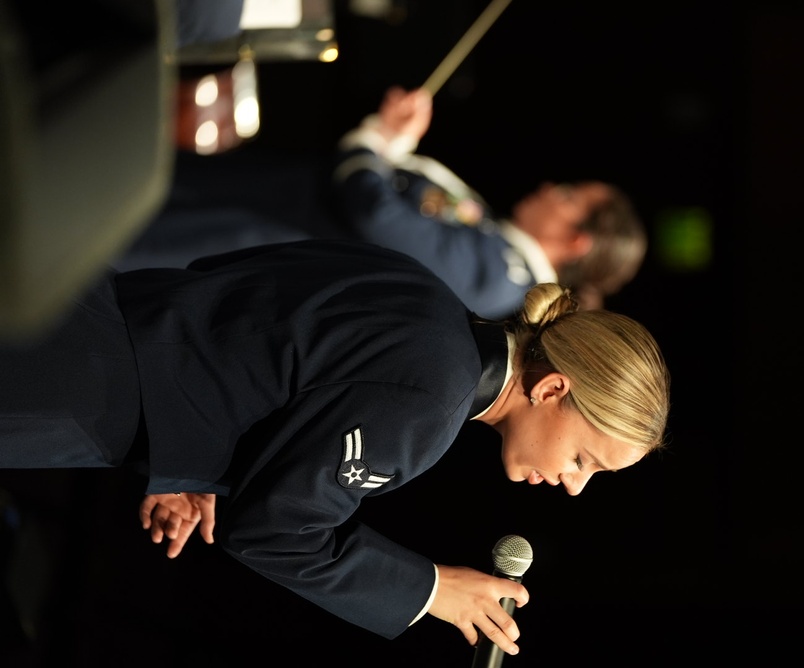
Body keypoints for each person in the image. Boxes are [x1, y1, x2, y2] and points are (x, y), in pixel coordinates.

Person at [1, 238, 670, 655]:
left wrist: (195, 460)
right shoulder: (430, 404)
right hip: (69, 391)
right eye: (586, 460)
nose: (575, 484)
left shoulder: (426, 297)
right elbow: (274, 531)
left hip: (73, 295)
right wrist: (433, 590)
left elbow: (236, 309)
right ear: (554, 389)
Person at [331, 86, 649, 318]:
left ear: (576, 242)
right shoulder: (499, 243)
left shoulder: (498, 279)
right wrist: (398, 137)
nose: (550, 188)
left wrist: (371, 141)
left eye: (568, 196)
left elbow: (377, 215)